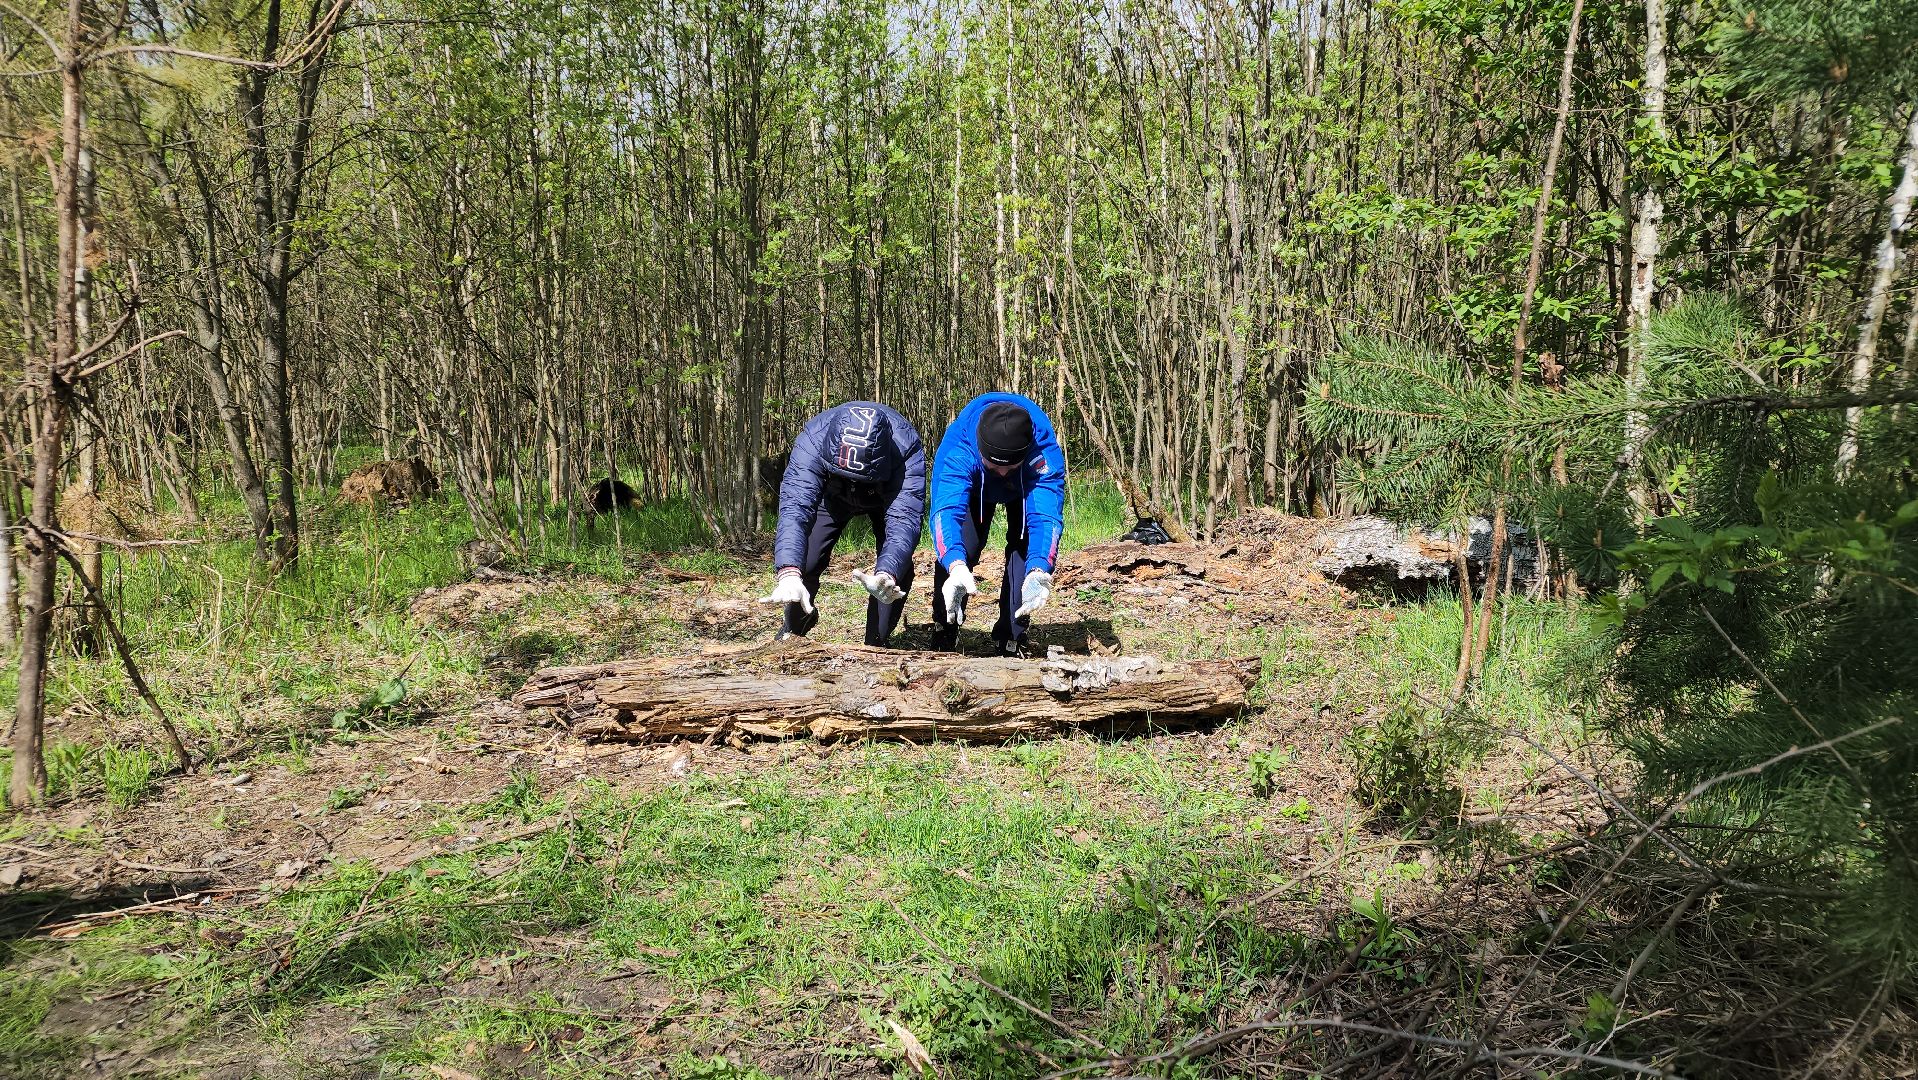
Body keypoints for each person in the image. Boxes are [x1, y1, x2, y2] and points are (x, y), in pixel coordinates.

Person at [760, 401, 926, 646]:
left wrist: (887, 572)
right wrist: (788, 571)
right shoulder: (813, 441)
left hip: (882, 496)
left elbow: (903, 521)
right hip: (832, 495)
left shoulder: (905, 448)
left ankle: (877, 643)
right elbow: (795, 510)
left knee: (893, 576)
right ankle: (793, 631)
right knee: (806, 560)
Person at [927, 392, 1067, 656]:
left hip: (1025, 486)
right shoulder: (959, 446)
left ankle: (1012, 635)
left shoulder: (1042, 452)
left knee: (1024, 556)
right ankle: (944, 625)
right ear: (980, 450)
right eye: (995, 466)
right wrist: (955, 564)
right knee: (964, 546)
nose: (1002, 473)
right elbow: (945, 511)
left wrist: (1040, 569)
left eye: (1009, 467)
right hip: (977, 488)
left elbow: (1045, 518)